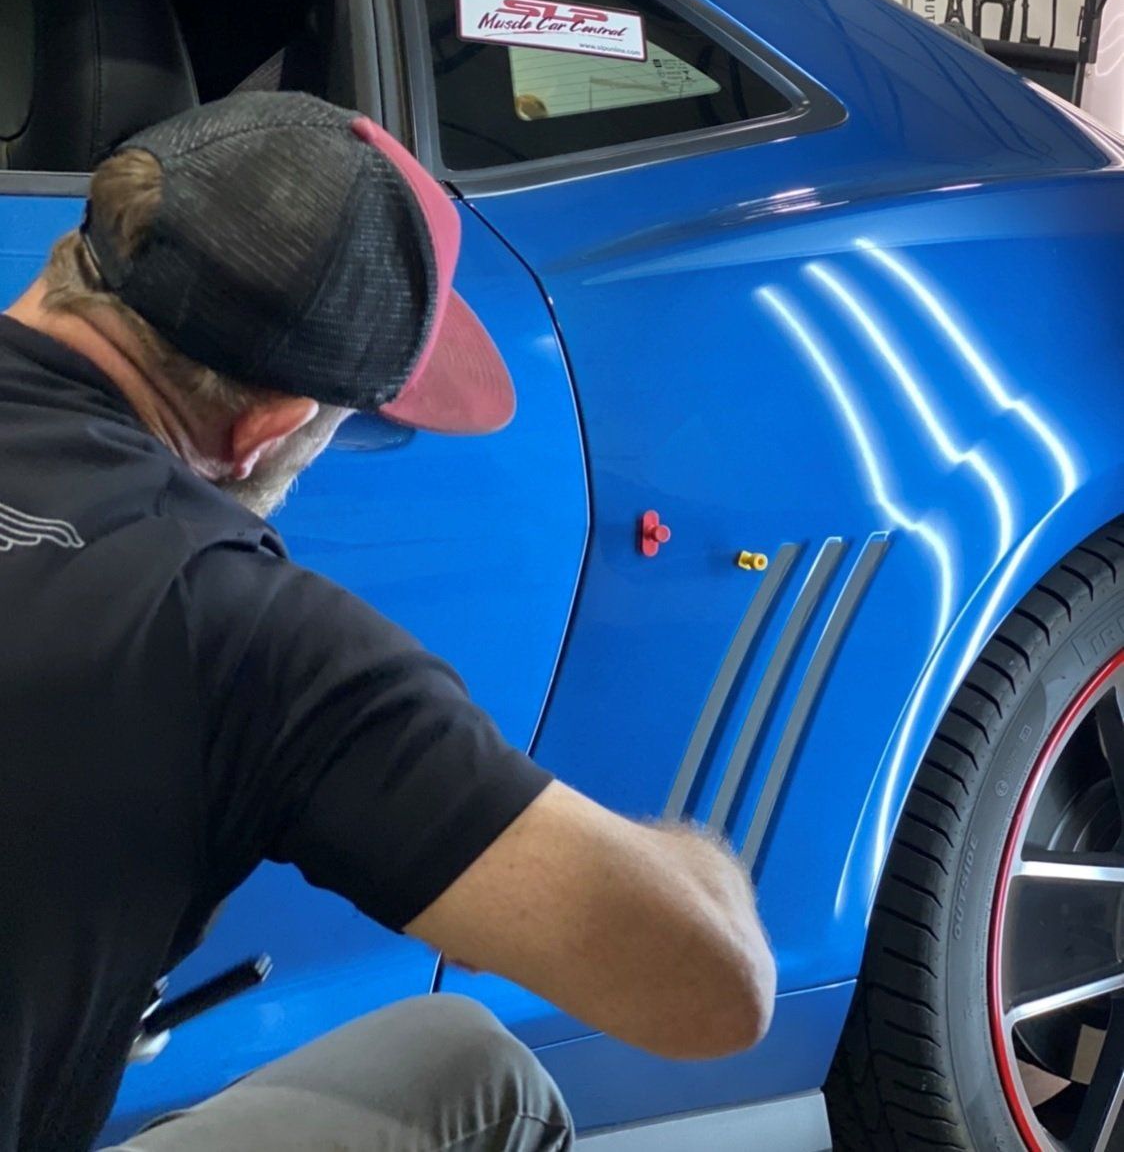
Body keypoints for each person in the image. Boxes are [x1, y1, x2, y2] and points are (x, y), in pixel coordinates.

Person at [0, 92, 775, 1152]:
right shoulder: (238, 628)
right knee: (468, 1068)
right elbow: (711, 984)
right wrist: (703, 864)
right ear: (268, 428)